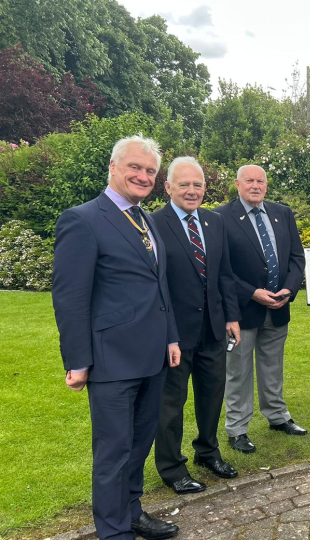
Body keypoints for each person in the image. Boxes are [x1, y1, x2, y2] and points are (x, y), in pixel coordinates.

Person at [52, 135, 181, 540]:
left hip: (153, 356)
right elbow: (70, 297)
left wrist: (171, 338)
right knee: (113, 453)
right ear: (113, 167)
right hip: (111, 360)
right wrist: (77, 360)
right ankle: (113, 532)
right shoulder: (83, 219)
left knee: (139, 445)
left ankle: (132, 512)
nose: (143, 176)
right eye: (135, 168)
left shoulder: (145, 218)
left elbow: (161, 288)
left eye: (150, 171)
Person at [150, 157, 242, 494]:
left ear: (205, 187)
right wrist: (164, 330)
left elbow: (225, 275)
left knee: (211, 394)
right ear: (169, 187)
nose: (192, 190)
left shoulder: (214, 222)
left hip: (213, 328)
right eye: (184, 184)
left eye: (197, 184)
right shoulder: (153, 224)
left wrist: (231, 317)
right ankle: (172, 467)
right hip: (174, 332)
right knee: (171, 402)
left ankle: (207, 451)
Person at [215, 165, 307, 453]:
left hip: (278, 306)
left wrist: (289, 290)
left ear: (267, 185)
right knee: (238, 371)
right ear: (237, 184)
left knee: (273, 366)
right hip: (242, 310)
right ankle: (237, 428)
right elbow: (221, 269)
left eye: (261, 181)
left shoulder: (283, 213)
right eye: (249, 181)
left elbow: (296, 257)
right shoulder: (220, 217)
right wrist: (252, 293)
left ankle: (278, 417)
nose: (255, 185)